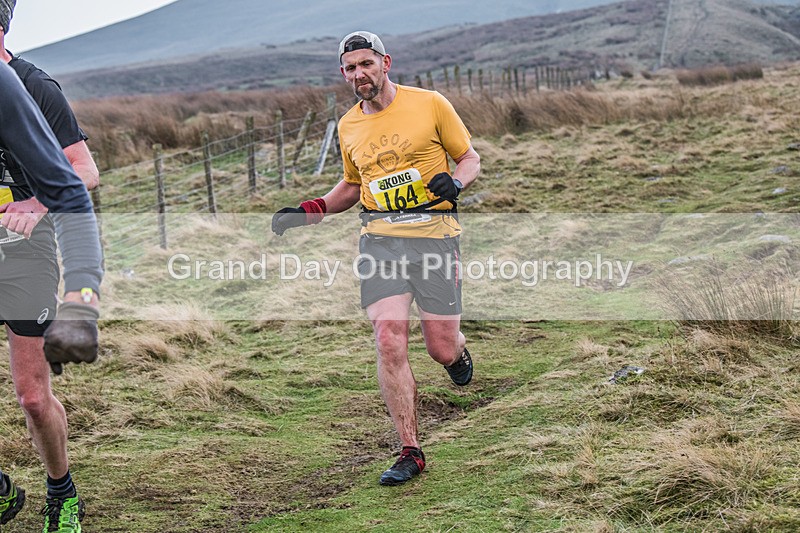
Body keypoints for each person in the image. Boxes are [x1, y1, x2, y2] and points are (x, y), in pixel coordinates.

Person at [272, 30, 481, 486]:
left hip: (434, 239)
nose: (359, 74)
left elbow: (469, 158)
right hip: (380, 242)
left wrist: (455, 183)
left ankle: (457, 352)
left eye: (366, 63)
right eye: (350, 68)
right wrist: (310, 210)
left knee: (440, 347)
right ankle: (410, 449)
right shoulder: (349, 125)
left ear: (386, 63)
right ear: (342, 74)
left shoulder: (430, 103)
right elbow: (353, 185)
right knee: (388, 338)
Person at [0, 2, 103, 530]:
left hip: (25, 253)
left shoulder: (31, 85)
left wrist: (35, 203)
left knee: (34, 397)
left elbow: (84, 171)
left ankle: (62, 493)